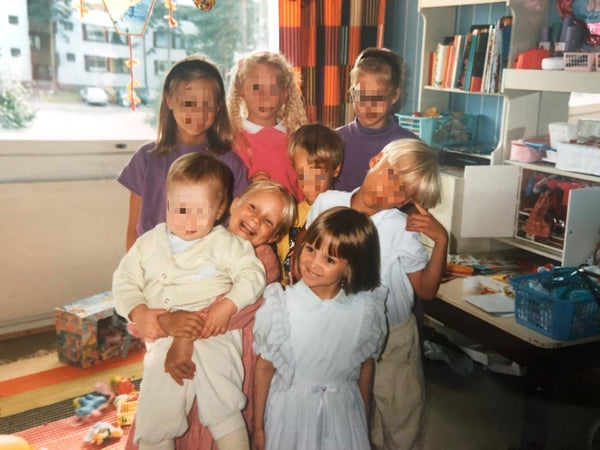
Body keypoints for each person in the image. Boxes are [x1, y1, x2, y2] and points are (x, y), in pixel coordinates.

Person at [123, 180, 297, 450]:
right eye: (252, 207)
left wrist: (181, 335)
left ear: (274, 237)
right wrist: (154, 317)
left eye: (267, 221)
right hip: (173, 347)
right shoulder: (196, 237)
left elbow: (223, 311)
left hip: (221, 353)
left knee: (217, 415)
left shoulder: (263, 263)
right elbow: (157, 287)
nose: (255, 219)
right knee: (160, 410)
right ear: (234, 204)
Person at [306, 138, 448, 450]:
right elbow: (305, 257)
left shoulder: (401, 226)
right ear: (376, 160)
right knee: (349, 416)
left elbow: (426, 290)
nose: (391, 191)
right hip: (338, 331)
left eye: (404, 193)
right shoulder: (326, 203)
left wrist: (441, 241)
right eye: (392, 175)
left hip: (393, 340)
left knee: (400, 418)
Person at [252, 206, 388, 450]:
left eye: (329, 259)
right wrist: (258, 428)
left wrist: (364, 423)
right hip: (291, 416)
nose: (313, 263)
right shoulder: (281, 307)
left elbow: (365, 369)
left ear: (351, 266)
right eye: (311, 249)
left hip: (343, 417)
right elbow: (263, 369)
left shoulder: (365, 311)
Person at [118, 54, 249, 250]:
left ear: (218, 107)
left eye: (207, 105)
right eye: (189, 104)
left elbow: (237, 228)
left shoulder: (230, 163)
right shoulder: (145, 159)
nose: (198, 113)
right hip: (154, 265)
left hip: (207, 266)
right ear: (169, 100)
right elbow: (133, 230)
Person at [335, 47, 419, 192]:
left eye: (378, 98)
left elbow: (416, 200)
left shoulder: (409, 146)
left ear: (394, 95)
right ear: (351, 91)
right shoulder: (334, 140)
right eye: (362, 96)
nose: (368, 105)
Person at [228, 51, 307, 200]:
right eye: (256, 88)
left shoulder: (296, 139)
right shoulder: (232, 139)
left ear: (284, 93)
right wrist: (247, 187)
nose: (264, 96)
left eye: (272, 89)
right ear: (241, 90)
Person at [276, 123, 343, 285]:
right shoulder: (290, 214)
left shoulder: (342, 215)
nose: (309, 182)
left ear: (335, 169)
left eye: (317, 174)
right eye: (302, 174)